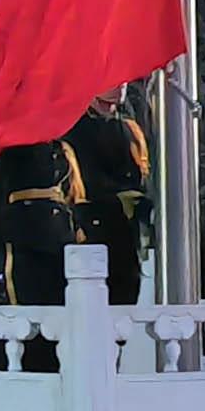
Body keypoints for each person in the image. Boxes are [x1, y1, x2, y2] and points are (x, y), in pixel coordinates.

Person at [67, 91, 151, 305]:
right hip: (92, 220)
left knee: (127, 290)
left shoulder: (128, 127)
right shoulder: (74, 127)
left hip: (128, 223)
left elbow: (140, 174)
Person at [0, 135, 81, 308]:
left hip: (54, 225)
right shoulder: (13, 147)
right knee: (27, 289)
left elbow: (72, 190)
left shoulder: (60, 149)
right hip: (28, 222)